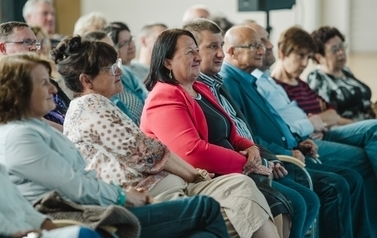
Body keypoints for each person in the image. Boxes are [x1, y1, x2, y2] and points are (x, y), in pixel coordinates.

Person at [56, 33, 277, 238]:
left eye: (118, 65)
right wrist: (196, 175)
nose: (120, 72)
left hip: (170, 186)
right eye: (112, 68)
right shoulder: (90, 106)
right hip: (150, 195)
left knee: (243, 187)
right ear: (87, 81)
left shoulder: (99, 105)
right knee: (247, 200)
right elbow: (147, 152)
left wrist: (199, 173)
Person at [0, 52, 230, 238]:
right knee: (205, 207)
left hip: (93, 206)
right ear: (18, 91)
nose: (53, 89)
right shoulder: (19, 136)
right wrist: (123, 197)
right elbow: (76, 187)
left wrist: (123, 195)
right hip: (81, 216)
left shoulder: (34, 128)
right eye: (43, 83)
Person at [220, 25, 371, 238]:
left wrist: (298, 142)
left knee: (349, 177)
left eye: (263, 43)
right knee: (336, 185)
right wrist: (284, 152)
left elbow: (274, 123)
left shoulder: (249, 80)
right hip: (276, 159)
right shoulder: (231, 82)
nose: (264, 48)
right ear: (232, 51)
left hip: (292, 148)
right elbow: (246, 135)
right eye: (255, 45)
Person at [183, 18, 319, 238]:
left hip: (259, 158)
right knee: (302, 200)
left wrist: (267, 154)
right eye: (212, 47)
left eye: (220, 46)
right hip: (234, 170)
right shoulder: (198, 89)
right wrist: (264, 158)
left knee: (309, 198)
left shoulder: (216, 83)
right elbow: (205, 146)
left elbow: (243, 133)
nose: (221, 53)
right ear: (194, 52)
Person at [0, 163, 102, 238]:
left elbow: (24, 208)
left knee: (85, 233)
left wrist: (54, 229)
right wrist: (14, 233)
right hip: (16, 234)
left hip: (30, 233)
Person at [0, 21, 69, 130]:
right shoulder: (6, 87)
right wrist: (77, 133)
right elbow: (38, 123)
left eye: (35, 43)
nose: (34, 48)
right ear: (3, 48)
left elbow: (70, 112)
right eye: (27, 42)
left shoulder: (50, 82)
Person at [308, 26, 375, 121]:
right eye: (334, 49)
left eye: (342, 46)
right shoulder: (317, 78)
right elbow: (328, 116)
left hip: (370, 123)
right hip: (351, 129)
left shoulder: (346, 71)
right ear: (319, 57)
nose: (341, 52)